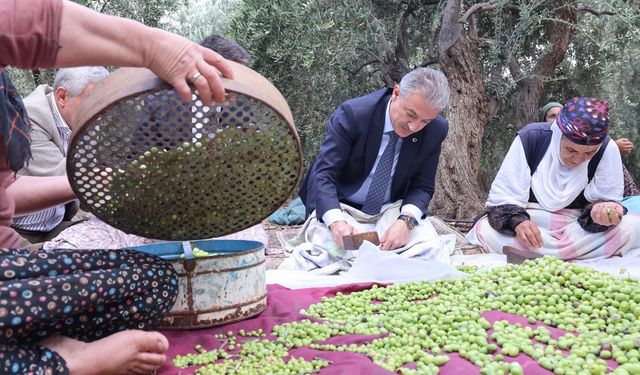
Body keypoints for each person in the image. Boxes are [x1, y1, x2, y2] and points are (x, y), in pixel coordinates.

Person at [0, 0, 233, 374]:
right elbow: (34, 24)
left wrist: (81, 187)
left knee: (154, 278)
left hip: (9, 265)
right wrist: (155, 48)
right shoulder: (37, 115)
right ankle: (61, 362)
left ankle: (34, 341)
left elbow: (6, 196)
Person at [298, 67, 450, 255]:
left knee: (430, 248)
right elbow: (323, 175)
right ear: (396, 93)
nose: (414, 126)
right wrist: (336, 222)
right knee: (331, 250)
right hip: (342, 206)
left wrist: (406, 222)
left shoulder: (436, 130)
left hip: (390, 212)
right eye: (411, 114)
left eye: (425, 121)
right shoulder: (354, 114)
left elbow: (423, 186)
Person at [467, 97, 640, 260]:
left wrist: (602, 212)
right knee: (485, 230)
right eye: (571, 150)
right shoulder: (531, 138)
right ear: (559, 135)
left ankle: (533, 255)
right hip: (533, 220)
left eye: (588, 153)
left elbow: (609, 200)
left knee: (630, 227)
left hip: (576, 226)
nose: (578, 159)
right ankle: (577, 255)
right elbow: (504, 196)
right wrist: (518, 223)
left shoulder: (607, 148)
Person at [12, 67, 108, 244]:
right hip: (19, 235)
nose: (100, 113)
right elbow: (68, 178)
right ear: (62, 96)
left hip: (57, 226)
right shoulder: (28, 118)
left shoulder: (83, 121)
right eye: (94, 102)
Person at [540, 100, 638, 196]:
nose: (557, 119)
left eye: (560, 114)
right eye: (552, 116)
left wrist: (610, 149)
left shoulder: (603, 148)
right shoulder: (538, 149)